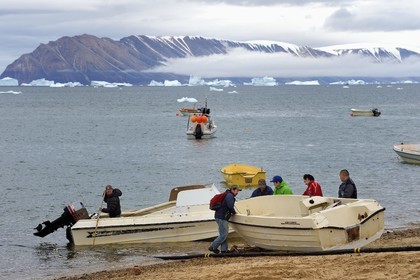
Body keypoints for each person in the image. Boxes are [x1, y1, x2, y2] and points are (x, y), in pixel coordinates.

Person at [209, 185, 240, 254]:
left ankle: (224, 250)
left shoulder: (227, 194)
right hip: (222, 217)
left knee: (223, 234)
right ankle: (213, 246)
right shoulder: (230, 196)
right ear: (233, 190)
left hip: (218, 216)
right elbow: (230, 206)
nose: (237, 193)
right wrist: (234, 212)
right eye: (237, 191)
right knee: (224, 234)